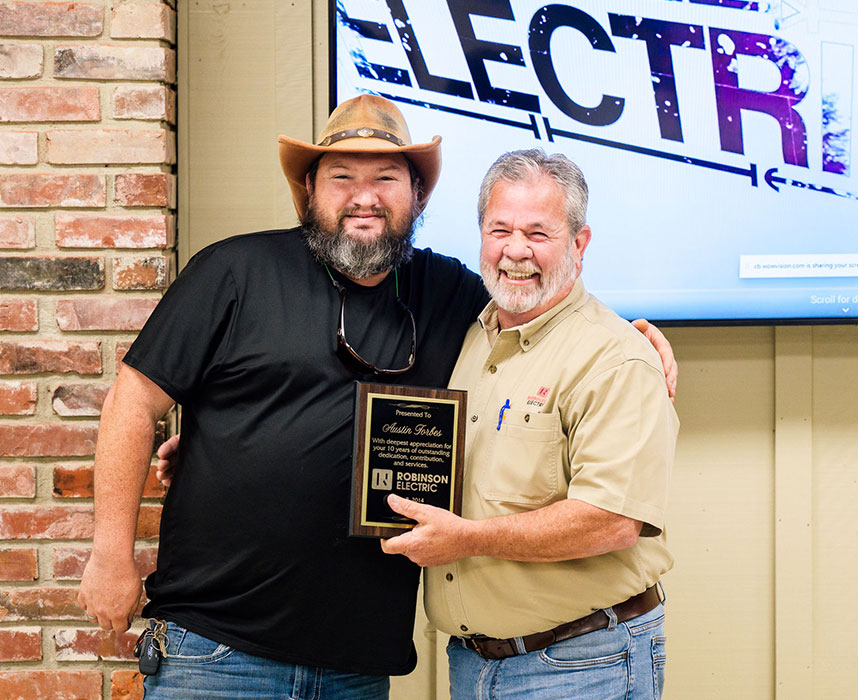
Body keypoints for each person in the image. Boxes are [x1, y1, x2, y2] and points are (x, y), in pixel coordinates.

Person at [77, 95, 675, 699]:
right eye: (342, 177)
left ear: (416, 195)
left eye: (386, 178)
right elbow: (133, 400)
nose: (364, 196)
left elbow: (548, 304)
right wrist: (111, 554)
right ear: (310, 188)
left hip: (357, 665)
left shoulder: (451, 294)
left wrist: (641, 339)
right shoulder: (233, 272)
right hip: (215, 651)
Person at [380, 149, 679, 700]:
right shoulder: (467, 337)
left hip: (581, 664)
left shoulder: (617, 359)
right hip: (474, 666)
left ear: (579, 244)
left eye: (539, 233)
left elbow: (610, 521)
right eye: (500, 229)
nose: (516, 251)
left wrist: (467, 541)